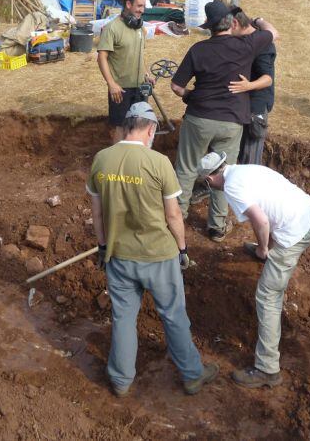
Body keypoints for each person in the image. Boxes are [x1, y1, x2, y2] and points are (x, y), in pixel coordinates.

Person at [86, 102, 219, 397]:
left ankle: (120, 381)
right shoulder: (159, 163)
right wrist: (183, 249)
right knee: (173, 315)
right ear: (149, 129)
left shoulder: (102, 159)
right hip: (159, 256)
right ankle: (193, 376)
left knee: (123, 318)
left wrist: (102, 246)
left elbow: (97, 214)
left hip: (118, 255)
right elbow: (173, 215)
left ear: (126, 127)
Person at [198, 151, 310, 388]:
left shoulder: (232, 188)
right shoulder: (245, 169)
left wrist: (264, 249)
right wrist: (262, 245)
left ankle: (267, 369)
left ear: (210, 180)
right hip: (308, 211)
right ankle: (265, 249)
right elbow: (264, 214)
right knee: (265, 225)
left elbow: (262, 221)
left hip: (296, 232)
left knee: (267, 296)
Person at [170, 0, 278, 242]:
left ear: (209, 27)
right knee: (224, 173)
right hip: (231, 121)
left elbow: (177, 86)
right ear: (232, 23)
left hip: (198, 118)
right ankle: (217, 227)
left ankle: (177, 217)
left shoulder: (198, 49)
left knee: (186, 170)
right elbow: (273, 33)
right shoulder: (246, 46)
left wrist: (191, 96)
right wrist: (258, 20)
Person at [96, 0, 156, 143]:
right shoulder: (112, 28)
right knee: (121, 128)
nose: (142, 10)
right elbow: (101, 57)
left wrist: (147, 73)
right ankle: (116, 165)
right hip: (120, 89)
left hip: (140, 88)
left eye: (143, 6)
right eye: (139, 6)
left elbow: (140, 56)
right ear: (128, 4)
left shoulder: (140, 29)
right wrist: (111, 84)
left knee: (139, 127)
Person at [229, 8, 276, 165]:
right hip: (242, 106)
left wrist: (248, 86)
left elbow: (267, 78)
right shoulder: (246, 39)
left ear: (235, 24)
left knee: (250, 160)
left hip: (256, 109)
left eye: (227, 27)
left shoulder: (262, 44)